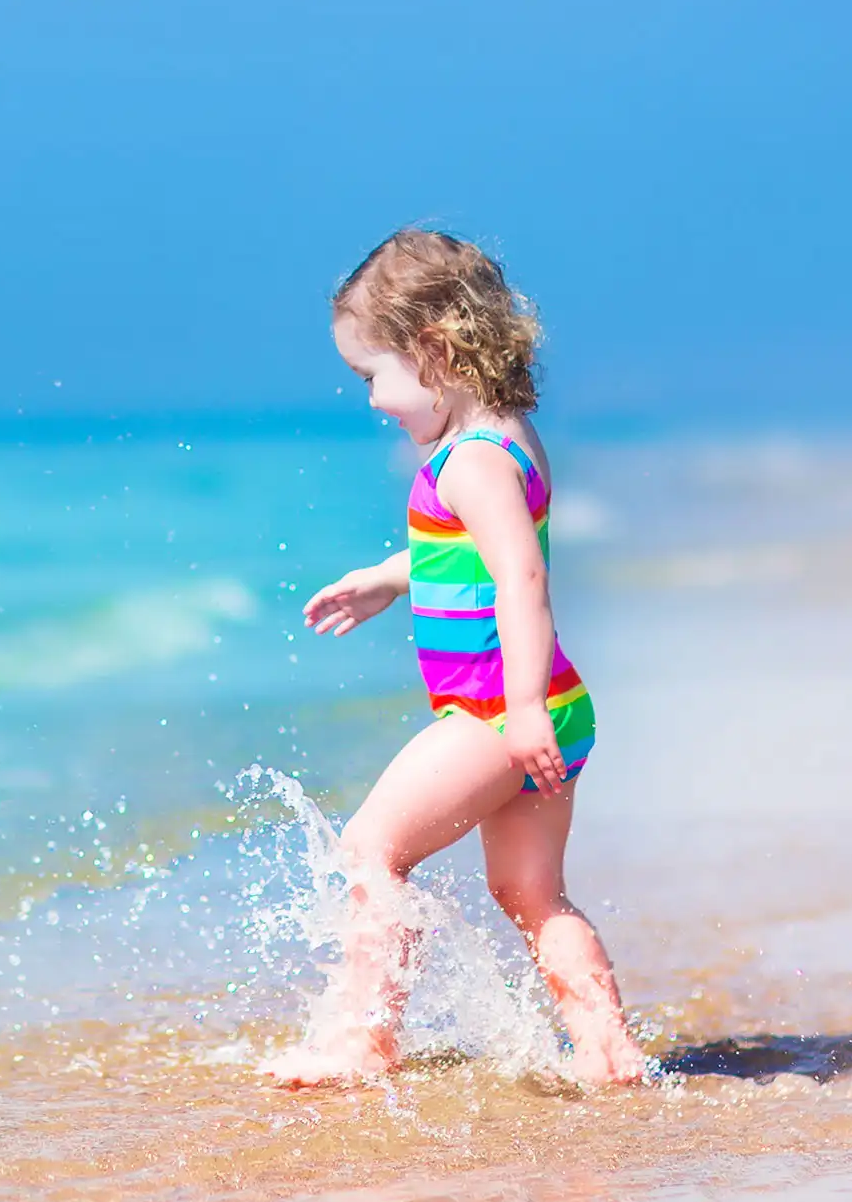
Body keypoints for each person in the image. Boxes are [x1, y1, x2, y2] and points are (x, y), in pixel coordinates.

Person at [265, 229, 647, 1087]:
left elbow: (521, 578)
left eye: (374, 375)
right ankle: (608, 1048)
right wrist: (390, 578)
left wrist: (514, 716)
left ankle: (363, 1037)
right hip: (548, 709)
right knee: (531, 894)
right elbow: (469, 554)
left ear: (433, 350)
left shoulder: (470, 461)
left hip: (494, 714)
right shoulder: (507, 441)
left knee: (370, 851)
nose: (371, 401)